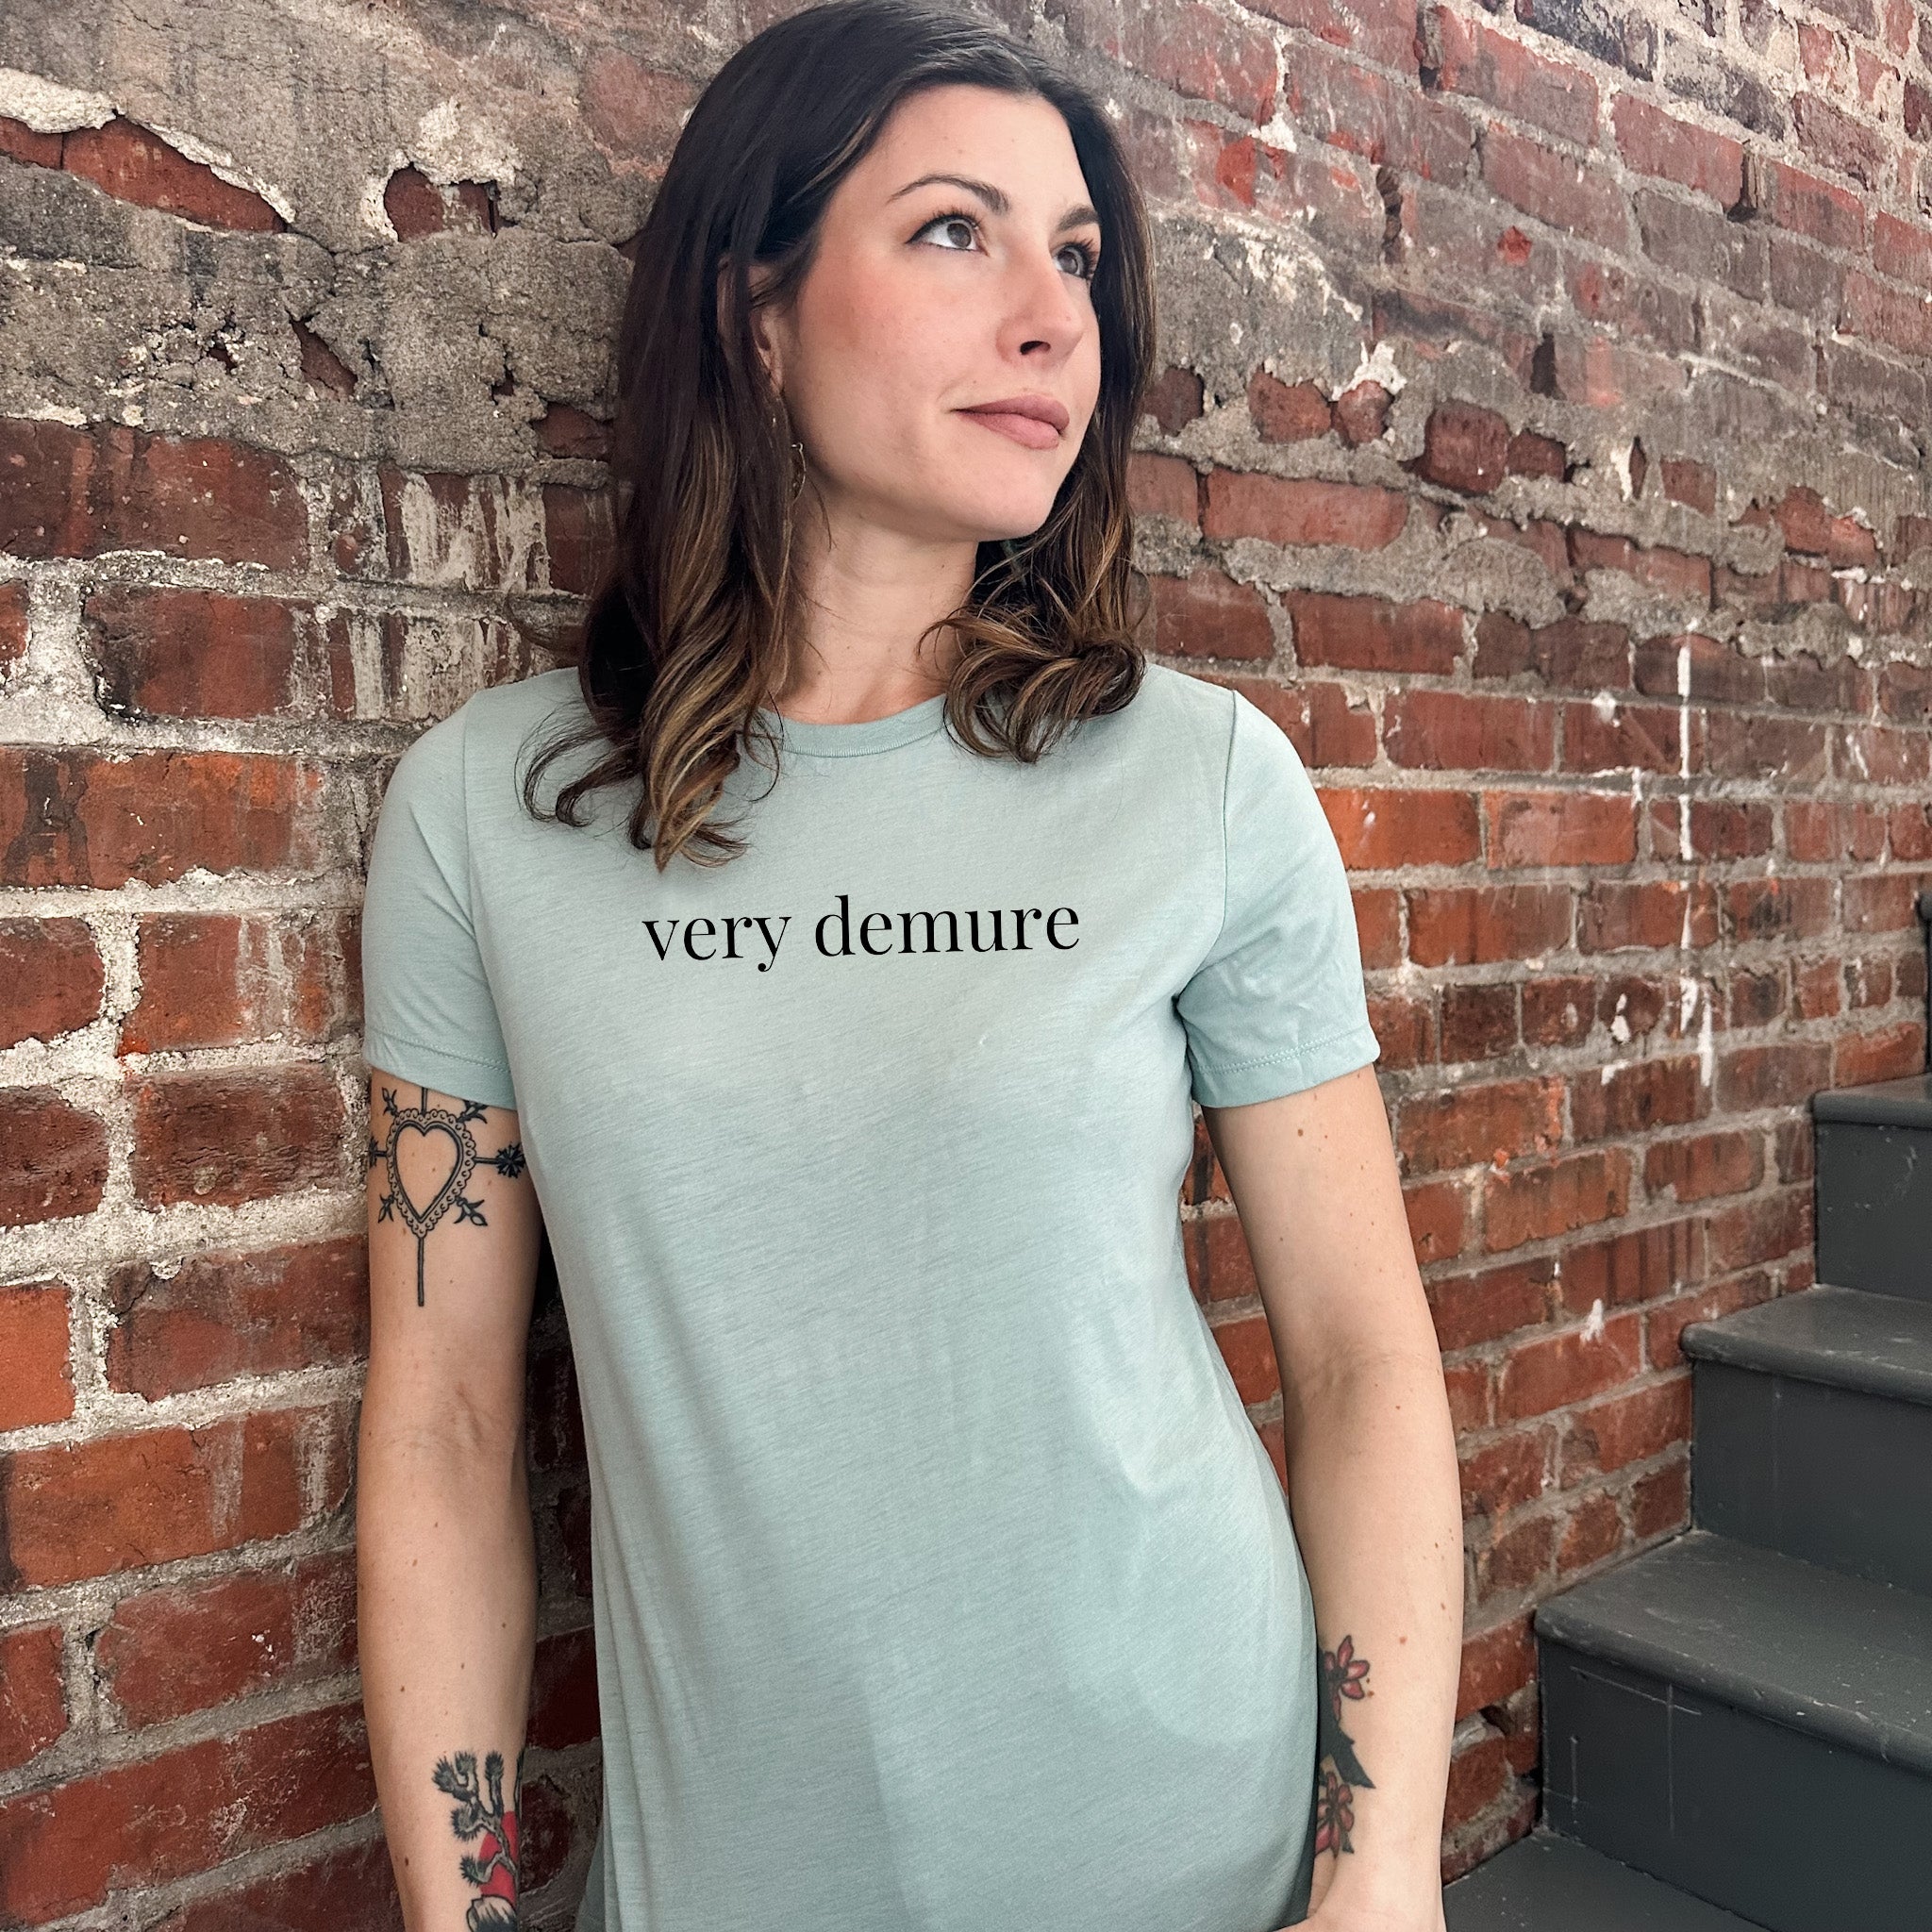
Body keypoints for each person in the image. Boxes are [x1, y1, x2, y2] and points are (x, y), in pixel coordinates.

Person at [355, 3, 1462, 1929]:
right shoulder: (487, 814)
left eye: (1079, 257)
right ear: (753, 310)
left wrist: (1380, 1876)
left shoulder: (1200, 783)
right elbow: (445, 1426)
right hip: (728, 1874)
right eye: (956, 231)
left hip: (1182, 1828)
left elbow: (1361, 1359)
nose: (1052, 314)